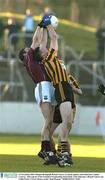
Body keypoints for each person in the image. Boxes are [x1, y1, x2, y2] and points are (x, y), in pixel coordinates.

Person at [33, 16, 75, 166]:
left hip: (65, 87)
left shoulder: (47, 57)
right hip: (61, 87)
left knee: (67, 123)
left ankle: (63, 154)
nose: (45, 47)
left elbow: (43, 42)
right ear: (43, 54)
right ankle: (63, 155)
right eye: (43, 49)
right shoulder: (48, 59)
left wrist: (43, 27)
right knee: (66, 122)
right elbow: (54, 38)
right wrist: (49, 23)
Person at [19, 25, 58, 165]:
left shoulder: (34, 59)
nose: (30, 49)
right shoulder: (29, 57)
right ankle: (45, 150)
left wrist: (45, 29)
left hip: (47, 86)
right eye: (27, 49)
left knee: (50, 120)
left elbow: (42, 43)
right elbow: (36, 40)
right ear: (24, 55)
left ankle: (48, 151)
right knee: (48, 120)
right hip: (43, 86)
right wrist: (40, 26)